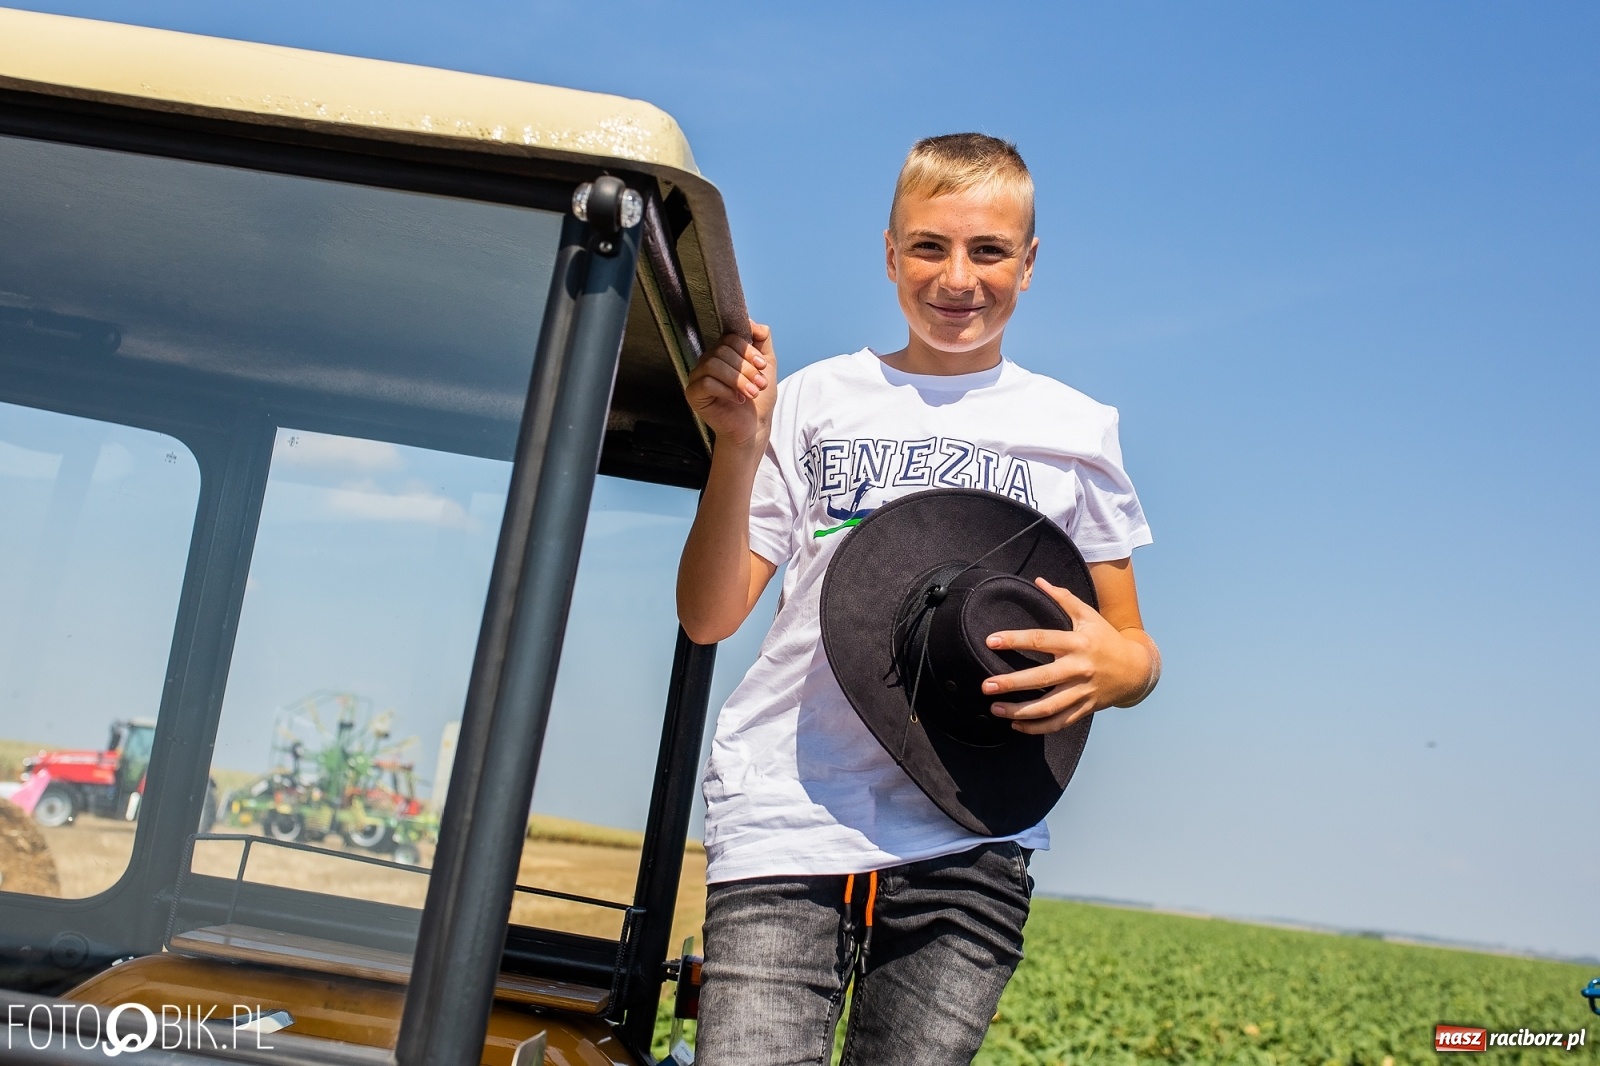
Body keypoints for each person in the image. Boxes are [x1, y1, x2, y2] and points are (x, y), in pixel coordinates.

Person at [677, 133, 1159, 1066]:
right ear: (890, 252)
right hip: (786, 807)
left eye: (987, 251)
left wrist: (1116, 667)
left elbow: (1134, 648)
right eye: (930, 247)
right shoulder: (814, 399)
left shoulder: (1076, 430)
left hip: (973, 825)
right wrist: (737, 445)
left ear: (1029, 263)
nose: (956, 278)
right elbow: (707, 615)